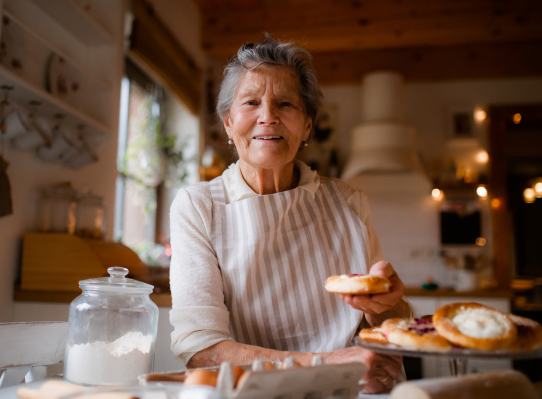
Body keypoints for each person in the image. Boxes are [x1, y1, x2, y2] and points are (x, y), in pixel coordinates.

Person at [169, 34, 412, 394]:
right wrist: (327, 364)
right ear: (228, 122)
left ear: (308, 125)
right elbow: (201, 349)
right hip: (254, 393)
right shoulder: (199, 206)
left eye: (285, 104)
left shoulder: (348, 202)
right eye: (251, 102)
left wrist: (385, 309)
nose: (268, 116)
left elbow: (388, 326)